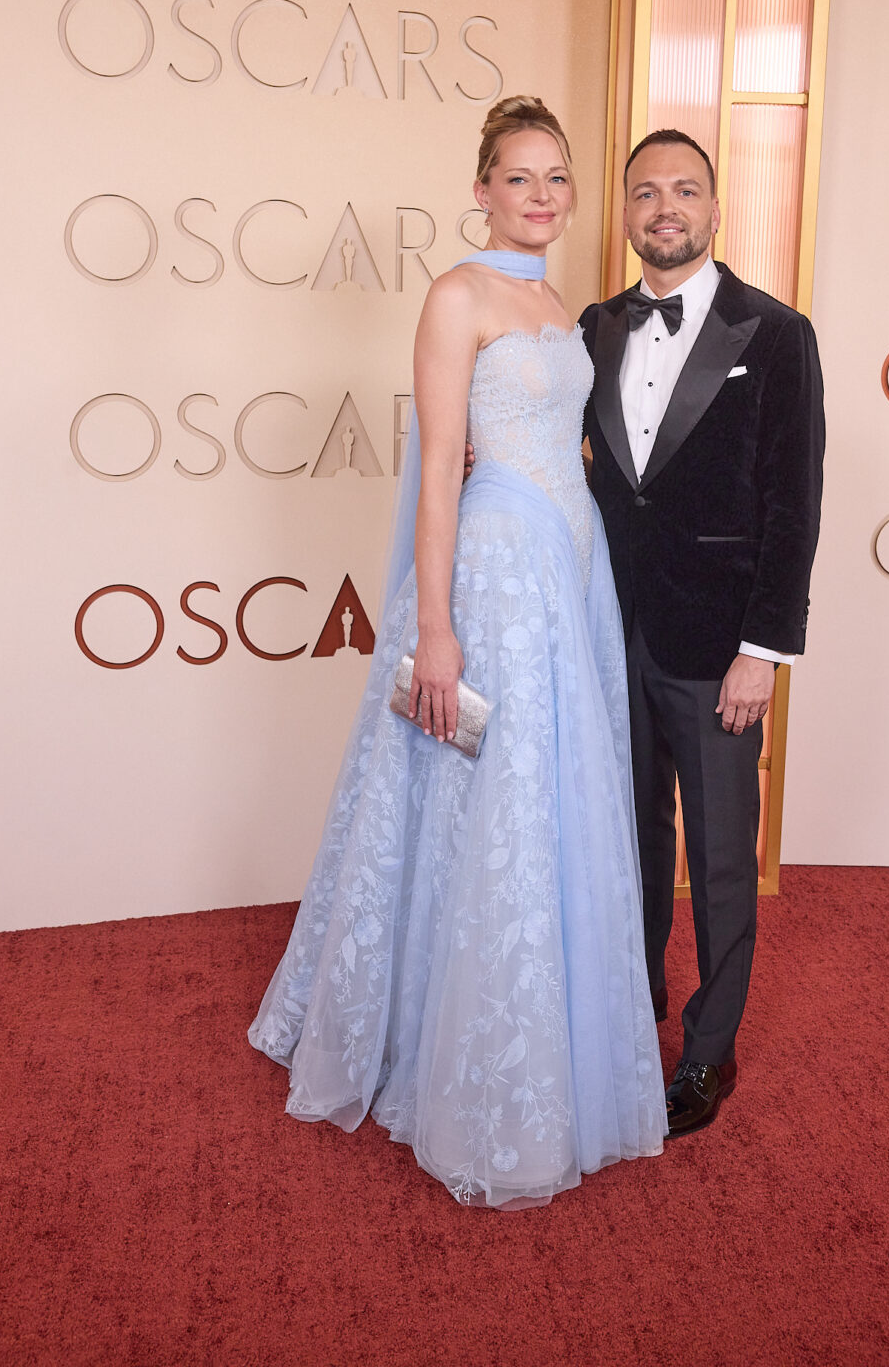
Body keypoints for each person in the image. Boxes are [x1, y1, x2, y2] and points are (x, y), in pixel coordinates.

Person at [249, 97, 667, 1208]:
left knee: (546, 803)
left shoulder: (561, 306)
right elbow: (439, 467)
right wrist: (434, 628)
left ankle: (546, 1043)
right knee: (489, 799)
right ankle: (457, 1061)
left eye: (556, 177)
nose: (540, 195)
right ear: (480, 189)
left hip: (567, 571)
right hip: (492, 574)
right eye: (517, 176)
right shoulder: (457, 295)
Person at [580, 129, 824, 1138]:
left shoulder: (776, 334)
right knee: (624, 840)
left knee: (721, 858)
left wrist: (761, 652)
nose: (664, 208)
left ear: (715, 210)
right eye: (645, 192)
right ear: (625, 212)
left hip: (719, 647)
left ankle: (708, 1052)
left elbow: (791, 506)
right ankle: (628, 1011)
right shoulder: (594, 327)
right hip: (609, 632)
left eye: (684, 190)